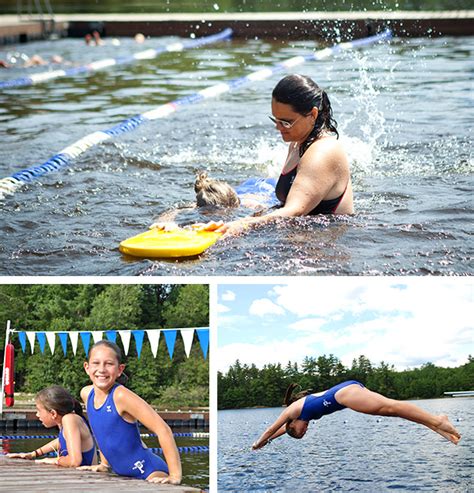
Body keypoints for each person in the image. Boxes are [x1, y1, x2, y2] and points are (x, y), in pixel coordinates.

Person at [196, 74, 354, 235]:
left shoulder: (323, 152)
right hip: (304, 238)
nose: (278, 128)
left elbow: (294, 211)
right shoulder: (297, 143)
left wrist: (240, 225)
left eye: (286, 122)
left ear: (312, 115)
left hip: (326, 247)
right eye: (275, 120)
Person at [77, 340, 182, 485]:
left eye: (109, 363)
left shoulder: (121, 396)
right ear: (87, 367)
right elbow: (103, 430)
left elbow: (163, 430)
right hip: (124, 475)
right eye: (96, 363)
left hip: (149, 471)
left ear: (120, 369)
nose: (102, 369)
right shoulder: (86, 394)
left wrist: (175, 476)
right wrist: (104, 465)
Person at [252, 381, 462, 450]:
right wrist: (268, 442)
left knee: (391, 407)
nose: (304, 430)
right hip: (347, 392)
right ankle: (436, 426)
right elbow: (278, 432)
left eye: (300, 431)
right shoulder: (299, 417)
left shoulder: (292, 411)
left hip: (344, 395)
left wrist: (257, 444)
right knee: (393, 412)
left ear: (293, 424)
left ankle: (438, 420)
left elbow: (272, 428)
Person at [7, 385, 97, 467]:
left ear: (53, 413)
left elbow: (74, 461)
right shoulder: (66, 421)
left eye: (38, 410)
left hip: (87, 481)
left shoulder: (69, 419)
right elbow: (62, 440)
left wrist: (51, 460)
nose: (37, 415)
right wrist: (33, 454)